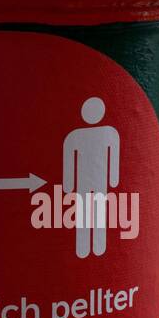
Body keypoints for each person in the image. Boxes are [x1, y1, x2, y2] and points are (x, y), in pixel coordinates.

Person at [62, 97, 120, 258]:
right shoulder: (77, 135)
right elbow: (69, 160)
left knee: (97, 212)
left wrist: (113, 179)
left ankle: (95, 246)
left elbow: (113, 156)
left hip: (95, 181)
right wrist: (68, 184)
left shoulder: (109, 133)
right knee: (86, 213)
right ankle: (85, 247)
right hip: (87, 181)